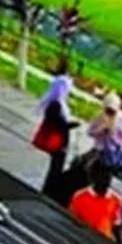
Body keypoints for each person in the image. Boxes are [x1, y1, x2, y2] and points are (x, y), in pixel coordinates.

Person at [32, 64, 78, 193]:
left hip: (59, 141)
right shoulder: (56, 105)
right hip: (57, 142)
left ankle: (50, 187)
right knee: (56, 166)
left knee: (56, 166)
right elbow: (58, 124)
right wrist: (70, 125)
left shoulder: (57, 104)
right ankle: (50, 188)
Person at [68, 157, 122, 243]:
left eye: (108, 176)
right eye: (102, 176)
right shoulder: (80, 197)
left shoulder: (116, 199)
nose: (106, 180)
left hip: (105, 242)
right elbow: (71, 220)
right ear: (93, 177)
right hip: (84, 240)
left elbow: (116, 227)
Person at [87, 91, 122, 172]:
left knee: (121, 153)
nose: (110, 113)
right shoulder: (99, 117)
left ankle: (121, 164)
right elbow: (90, 132)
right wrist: (101, 129)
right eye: (108, 110)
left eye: (112, 111)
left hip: (117, 149)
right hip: (101, 149)